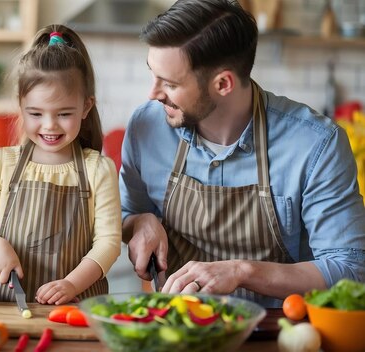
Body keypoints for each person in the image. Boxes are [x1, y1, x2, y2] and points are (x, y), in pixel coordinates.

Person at [120, 0, 365, 307]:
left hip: (280, 331)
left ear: (223, 83)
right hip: (178, 328)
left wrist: (242, 271)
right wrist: (140, 222)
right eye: (153, 75)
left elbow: (350, 271)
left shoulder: (315, 145)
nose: (152, 93)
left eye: (169, 83)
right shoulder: (146, 126)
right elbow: (124, 214)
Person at [0, 24, 121, 305]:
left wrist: (72, 284)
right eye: (36, 113)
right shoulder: (3, 162)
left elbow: (108, 243)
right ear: (20, 106)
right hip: (11, 310)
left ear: (86, 107)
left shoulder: (98, 169)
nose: (50, 125)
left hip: (78, 308)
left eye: (64, 113)